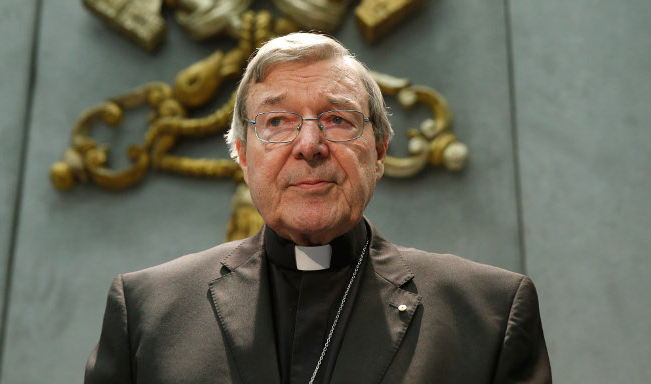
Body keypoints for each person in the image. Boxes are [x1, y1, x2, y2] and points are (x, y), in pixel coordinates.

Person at [84, 32, 551, 383]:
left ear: (381, 150)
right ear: (244, 156)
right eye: (278, 121)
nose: (310, 145)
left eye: (337, 119)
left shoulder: (487, 315)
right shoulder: (149, 313)